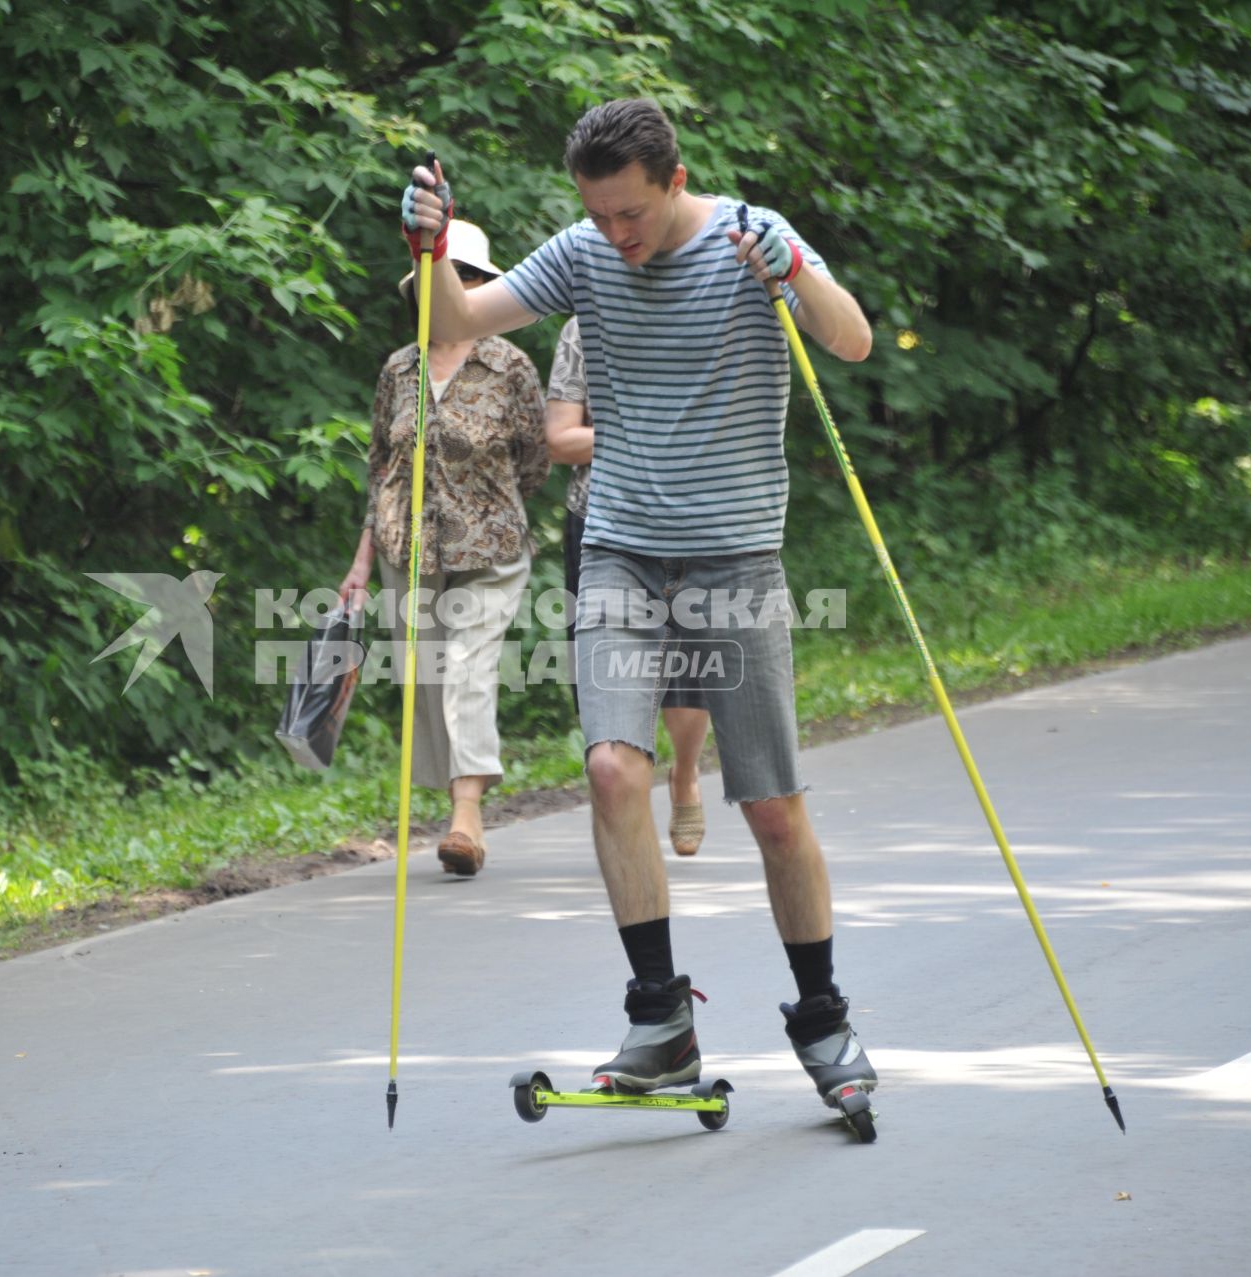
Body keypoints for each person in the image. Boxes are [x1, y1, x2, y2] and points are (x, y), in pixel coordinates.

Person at [398, 100, 881, 1114]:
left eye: (631, 214)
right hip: (619, 551)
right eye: (599, 215)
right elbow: (454, 323)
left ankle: (823, 1013)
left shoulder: (755, 234)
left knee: (772, 810)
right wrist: (433, 249)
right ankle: (661, 1016)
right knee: (614, 768)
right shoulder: (584, 252)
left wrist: (792, 273)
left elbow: (852, 341)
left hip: (734, 559)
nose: (618, 237)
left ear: (674, 178)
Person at [339, 220, 550, 878]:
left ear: (482, 287)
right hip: (410, 550)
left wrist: (484, 503)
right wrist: (362, 562)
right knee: (425, 681)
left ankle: (467, 817)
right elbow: (382, 468)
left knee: (467, 668)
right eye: (439, 277)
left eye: (464, 277)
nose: (451, 287)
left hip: (491, 549)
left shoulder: (511, 366)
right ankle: (456, 801)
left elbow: (534, 463)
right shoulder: (397, 369)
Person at [546, 317, 712, 856]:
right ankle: (627, 805)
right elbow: (562, 439)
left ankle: (684, 774)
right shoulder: (582, 328)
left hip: (689, 517)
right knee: (605, 674)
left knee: (688, 669)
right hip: (601, 523)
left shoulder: (700, 307)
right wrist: (641, 433)